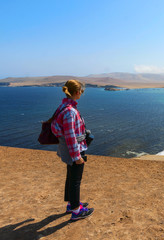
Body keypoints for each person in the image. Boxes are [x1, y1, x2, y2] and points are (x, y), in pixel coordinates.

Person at [51, 79, 94, 221]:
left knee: (70, 178)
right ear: (76, 92)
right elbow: (70, 136)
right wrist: (77, 157)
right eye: (81, 91)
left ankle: (71, 204)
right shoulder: (70, 111)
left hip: (70, 150)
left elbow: (57, 129)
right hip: (74, 151)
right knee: (75, 181)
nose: (81, 93)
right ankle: (76, 211)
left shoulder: (64, 106)